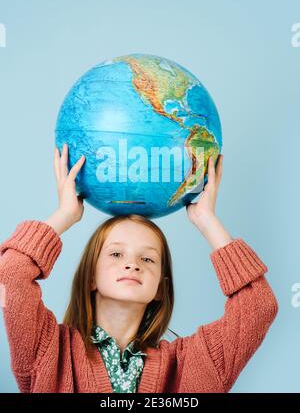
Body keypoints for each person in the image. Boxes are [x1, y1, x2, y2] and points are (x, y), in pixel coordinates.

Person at [0, 144, 278, 393]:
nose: (132, 264)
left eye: (147, 259)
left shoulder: (192, 362)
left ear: (160, 288)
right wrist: (64, 215)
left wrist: (206, 220)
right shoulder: (48, 351)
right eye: (116, 254)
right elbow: (11, 275)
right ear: (90, 278)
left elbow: (258, 306)